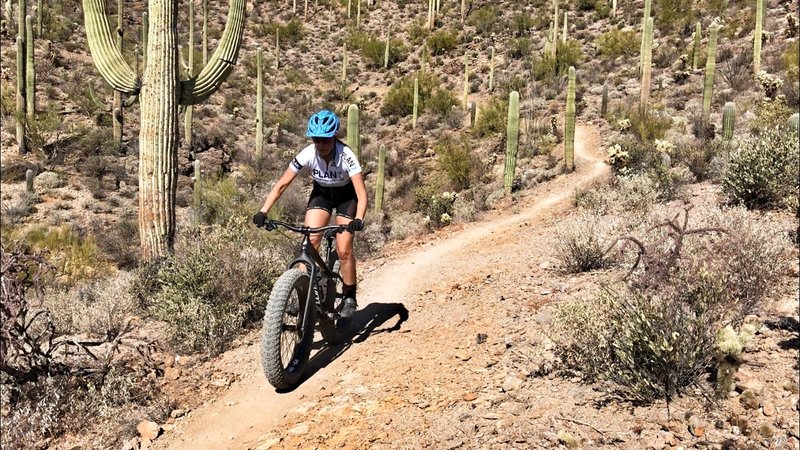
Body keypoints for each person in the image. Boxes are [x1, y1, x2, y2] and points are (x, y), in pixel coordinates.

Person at [253, 109, 367, 319]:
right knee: (310, 240)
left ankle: (350, 296)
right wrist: (263, 210)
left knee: (344, 250)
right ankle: (304, 294)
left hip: (346, 197)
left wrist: (358, 219)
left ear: (334, 137)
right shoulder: (307, 154)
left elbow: (361, 193)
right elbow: (282, 185)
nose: (321, 145)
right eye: (317, 140)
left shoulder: (346, 155)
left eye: (325, 140)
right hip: (322, 194)